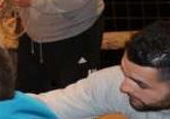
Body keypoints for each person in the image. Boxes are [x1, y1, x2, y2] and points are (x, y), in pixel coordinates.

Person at [38, 20, 170, 118]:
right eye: (124, 70)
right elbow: (39, 107)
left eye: (140, 84)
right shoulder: (115, 80)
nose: (124, 87)